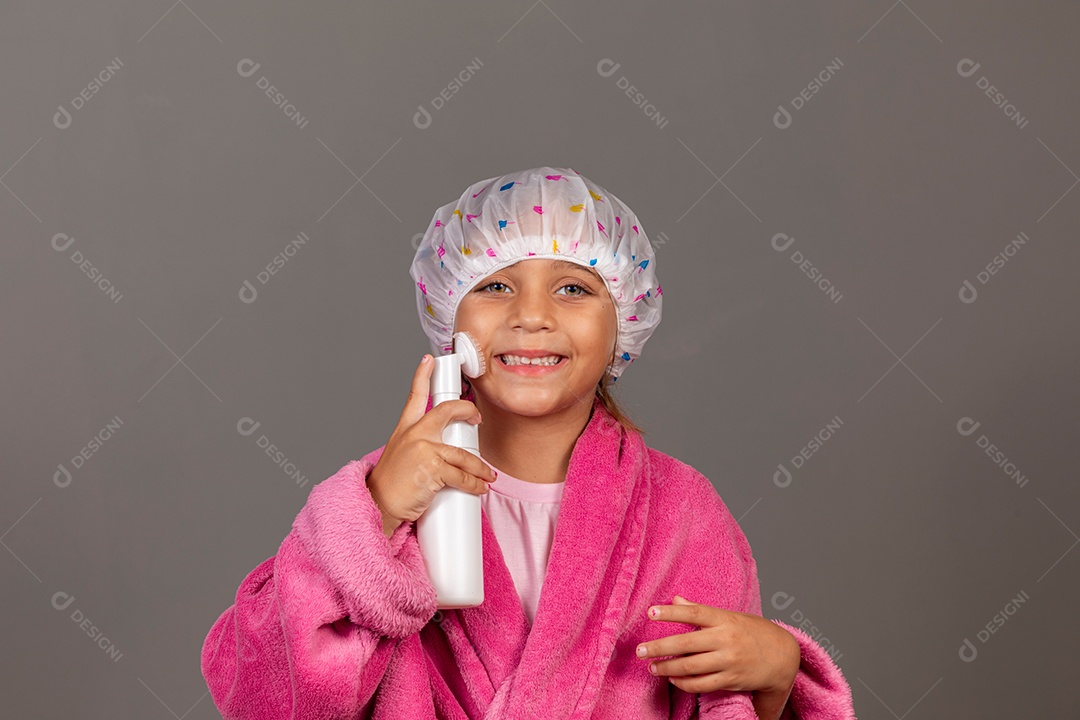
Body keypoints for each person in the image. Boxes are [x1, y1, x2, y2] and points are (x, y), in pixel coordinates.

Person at [201, 166, 855, 719]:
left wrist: (777, 677)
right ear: (448, 317)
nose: (532, 316)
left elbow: (721, 703)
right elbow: (264, 696)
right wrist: (377, 512)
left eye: (573, 288)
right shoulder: (387, 499)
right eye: (495, 286)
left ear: (623, 323)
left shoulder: (682, 512)